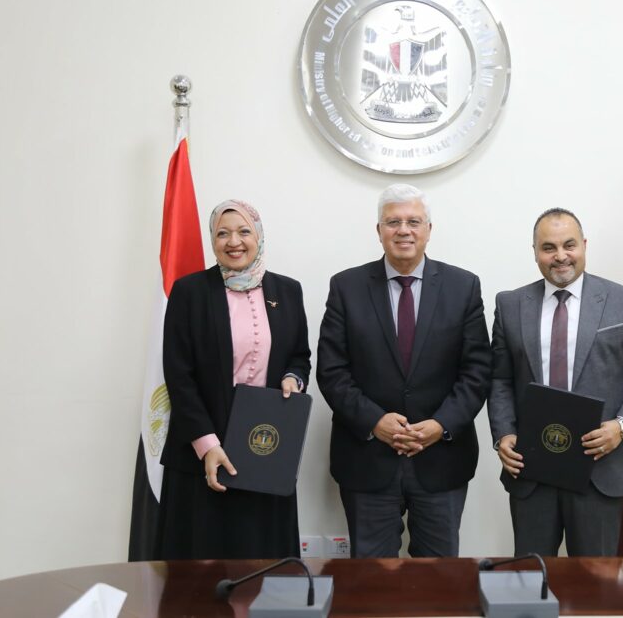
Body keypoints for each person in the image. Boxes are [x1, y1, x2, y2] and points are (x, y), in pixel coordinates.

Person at [316, 184, 491, 558]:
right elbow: (332, 371)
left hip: (442, 461)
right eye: (393, 222)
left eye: (413, 221)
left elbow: (477, 371)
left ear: (429, 229)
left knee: (439, 579)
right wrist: (375, 421)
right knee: (372, 580)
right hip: (367, 460)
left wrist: (440, 424)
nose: (403, 230)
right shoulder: (346, 287)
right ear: (378, 230)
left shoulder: (463, 287)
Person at [487, 207, 623, 556]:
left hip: (599, 467)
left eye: (569, 245)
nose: (560, 256)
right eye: (548, 247)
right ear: (535, 252)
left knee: (595, 581)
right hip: (532, 468)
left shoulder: (622, 300)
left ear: (584, 245)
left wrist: (622, 426)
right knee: (531, 576)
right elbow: (500, 379)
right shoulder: (510, 305)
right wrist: (504, 434)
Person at [156, 200, 312, 559]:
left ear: (259, 235)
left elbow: (299, 356)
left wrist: (293, 378)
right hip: (200, 452)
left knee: (262, 561)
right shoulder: (189, 292)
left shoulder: (287, 291)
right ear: (212, 240)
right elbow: (179, 376)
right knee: (202, 565)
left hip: (265, 448)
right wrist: (207, 445)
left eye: (244, 231)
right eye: (222, 233)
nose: (234, 242)